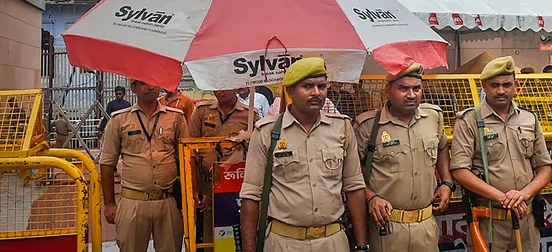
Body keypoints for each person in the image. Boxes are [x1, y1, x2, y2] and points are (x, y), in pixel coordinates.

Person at [240, 57, 368, 252]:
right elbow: (251, 195)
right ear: (290, 91)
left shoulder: (342, 128)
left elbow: (354, 187)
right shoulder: (268, 132)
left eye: (321, 86)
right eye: (307, 86)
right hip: (284, 242)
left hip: (333, 241)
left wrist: (362, 245)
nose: (316, 92)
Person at [450, 56, 552, 252]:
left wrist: (523, 194)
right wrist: (502, 197)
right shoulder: (469, 120)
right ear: (484, 86)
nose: (500, 91)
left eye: (507, 84)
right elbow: (459, 170)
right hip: (489, 223)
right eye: (494, 85)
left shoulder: (529, 119)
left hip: (526, 220)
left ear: (516, 85)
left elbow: (545, 168)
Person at [354, 63, 453, 252]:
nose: (411, 94)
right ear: (388, 90)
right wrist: (370, 197)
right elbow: (350, 174)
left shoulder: (433, 117)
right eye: (403, 88)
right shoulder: (368, 126)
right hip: (387, 228)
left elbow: (441, 147)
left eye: (417, 88)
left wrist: (446, 182)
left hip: (426, 226)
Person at [100, 79, 188, 252]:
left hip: (167, 201)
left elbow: (187, 158)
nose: (150, 87)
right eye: (144, 83)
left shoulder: (176, 117)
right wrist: (109, 203)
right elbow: (107, 164)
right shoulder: (119, 119)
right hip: (133, 201)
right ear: (133, 88)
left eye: (155, 82)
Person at [188, 88, 253, 244]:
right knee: (211, 235)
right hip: (208, 186)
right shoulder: (202, 112)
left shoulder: (249, 115)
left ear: (236, 87)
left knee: (235, 233)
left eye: (224, 87)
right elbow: (189, 150)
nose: (219, 92)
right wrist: (196, 188)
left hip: (236, 187)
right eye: (216, 87)